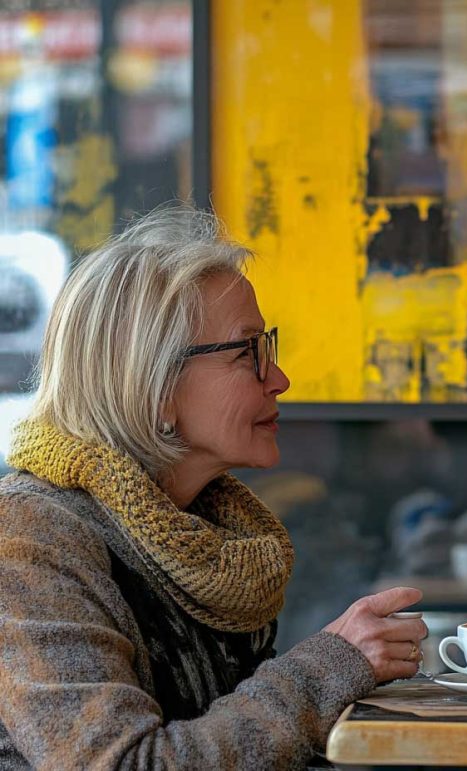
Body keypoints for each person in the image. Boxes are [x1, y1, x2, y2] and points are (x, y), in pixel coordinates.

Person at [0, 205, 428, 769]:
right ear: (153, 387)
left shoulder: (208, 536)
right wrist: (329, 665)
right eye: (249, 352)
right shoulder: (31, 537)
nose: (279, 379)